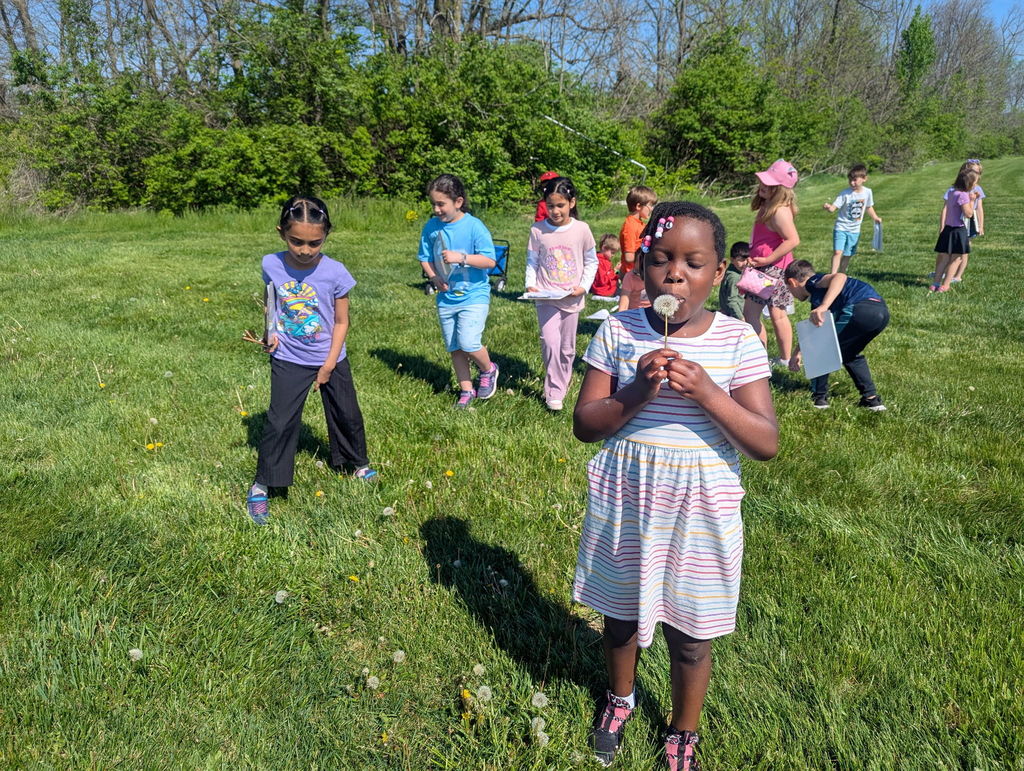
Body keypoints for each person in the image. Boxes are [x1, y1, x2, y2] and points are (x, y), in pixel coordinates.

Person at [572, 202, 778, 771]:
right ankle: (620, 697)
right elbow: (585, 424)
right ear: (641, 268)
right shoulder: (618, 330)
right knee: (618, 613)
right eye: (662, 260)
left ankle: (684, 729)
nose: (675, 274)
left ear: (718, 273)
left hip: (700, 505)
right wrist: (635, 392)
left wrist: (709, 393)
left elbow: (764, 441)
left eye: (694, 262)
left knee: (691, 629)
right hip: (627, 496)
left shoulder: (738, 340)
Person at [246, 196, 376, 525]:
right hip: (288, 357)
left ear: (326, 235)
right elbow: (272, 300)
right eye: (296, 241)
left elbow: (342, 322)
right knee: (279, 422)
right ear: (281, 234)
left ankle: (356, 464)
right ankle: (262, 485)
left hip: (330, 357)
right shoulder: (271, 263)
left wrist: (329, 365)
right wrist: (271, 332)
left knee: (347, 414)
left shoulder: (335, 272)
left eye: (314, 243)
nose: (305, 250)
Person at [418, 174, 500, 408]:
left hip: (474, 295)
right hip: (446, 298)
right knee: (455, 347)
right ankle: (466, 390)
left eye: (441, 204)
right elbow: (425, 258)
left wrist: (461, 258)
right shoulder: (431, 227)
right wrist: (434, 278)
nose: (436, 209)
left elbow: (489, 261)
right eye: (433, 204)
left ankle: (488, 369)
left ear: (458, 202)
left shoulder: (474, 226)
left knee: (469, 342)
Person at [526, 176, 598, 411]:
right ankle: (554, 390)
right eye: (550, 205)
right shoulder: (538, 230)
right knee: (549, 341)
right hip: (545, 296)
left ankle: (563, 379)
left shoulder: (582, 229)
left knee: (567, 348)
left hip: (571, 297)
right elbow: (532, 261)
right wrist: (531, 284)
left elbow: (591, 261)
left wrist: (583, 287)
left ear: (572, 203)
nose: (555, 211)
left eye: (560, 205)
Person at [784, 260, 889, 411]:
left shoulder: (813, 283)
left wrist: (824, 306)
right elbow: (815, 329)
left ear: (792, 282)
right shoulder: (818, 297)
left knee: (820, 348)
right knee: (849, 354)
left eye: (789, 290)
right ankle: (871, 400)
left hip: (859, 309)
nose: (792, 296)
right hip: (881, 313)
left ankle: (819, 400)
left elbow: (839, 276)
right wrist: (797, 352)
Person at [743, 158, 800, 368]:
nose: (763, 186)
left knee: (766, 313)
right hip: (765, 268)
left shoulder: (779, 211)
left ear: (781, 190)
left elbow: (793, 239)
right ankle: (772, 358)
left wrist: (767, 259)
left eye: (770, 184)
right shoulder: (770, 206)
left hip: (772, 270)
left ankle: (774, 358)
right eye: (763, 182)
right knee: (767, 313)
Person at [823, 164, 882, 275]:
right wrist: (829, 207)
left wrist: (875, 217)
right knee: (837, 252)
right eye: (850, 180)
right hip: (841, 227)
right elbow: (834, 208)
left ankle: (842, 274)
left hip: (854, 230)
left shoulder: (867, 192)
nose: (851, 183)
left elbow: (868, 206)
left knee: (848, 253)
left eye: (855, 180)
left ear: (864, 179)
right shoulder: (845, 194)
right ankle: (832, 275)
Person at [931, 167, 980, 293]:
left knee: (944, 258)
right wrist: (972, 200)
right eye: (975, 183)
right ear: (969, 183)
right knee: (956, 259)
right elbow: (968, 214)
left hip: (948, 229)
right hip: (958, 230)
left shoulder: (953, 192)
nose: (975, 185)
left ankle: (935, 283)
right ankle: (945, 285)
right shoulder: (963, 196)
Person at [945, 159, 985, 283]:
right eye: (973, 172)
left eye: (978, 173)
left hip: (968, 222)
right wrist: (942, 225)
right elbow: (946, 207)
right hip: (954, 222)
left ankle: (958, 276)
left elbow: (979, 208)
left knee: (964, 249)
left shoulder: (977, 189)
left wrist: (981, 226)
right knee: (951, 250)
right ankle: (948, 273)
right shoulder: (954, 190)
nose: (976, 176)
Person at [618, 185, 657, 278]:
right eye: (650, 205)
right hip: (632, 275)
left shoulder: (639, 224)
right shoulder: (630, 226)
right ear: (639, 206)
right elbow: (629, 257)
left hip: (639, 271)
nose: (652, 209)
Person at [718, 241, 748, 319]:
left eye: (746, 259)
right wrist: (741, 318)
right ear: (732, 259)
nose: (745, 263)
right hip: (734, 315)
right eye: (740, 260)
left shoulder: (734, 269)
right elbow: (731, 301)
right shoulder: (734, 277)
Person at [591, 234, 621, 298]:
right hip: (603, 290)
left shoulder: (602, 260)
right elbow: (602, 280)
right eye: (612, 252)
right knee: (624, 293)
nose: (613, 255)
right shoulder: (601, 262)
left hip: (601, 288)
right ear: (604, 248)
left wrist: (615, 269)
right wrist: (615, 273)